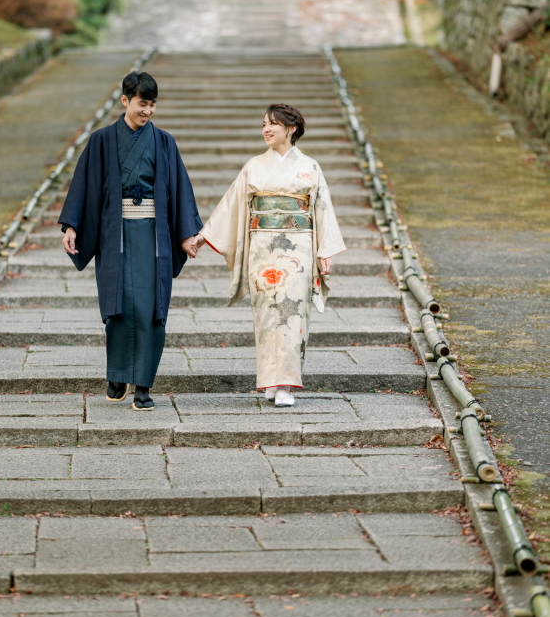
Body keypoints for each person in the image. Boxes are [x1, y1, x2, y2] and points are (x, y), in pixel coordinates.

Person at [59, 71, 202, 411]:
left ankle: (143, 385)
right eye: (142, 104)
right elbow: (85, 186)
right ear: (125, 100)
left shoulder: (164, 142)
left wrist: (186, 235)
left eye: (152, 105)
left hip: (154, 237)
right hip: (116, 235)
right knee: (119, 307)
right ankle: (118, 375)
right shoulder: (101, 141)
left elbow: (180, 191)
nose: (147, 111)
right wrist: (72, 226)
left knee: (151, 310)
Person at [191, 103, 345, 407]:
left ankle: (285, 385)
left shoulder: (310, 166)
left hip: (299, 249)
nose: (266, 129)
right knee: (265, 316)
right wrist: (203, 236)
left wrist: (324, 252)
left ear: (291, 129)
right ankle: (270, 383)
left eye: (273, 124)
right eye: (264, 124)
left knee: (293, 314)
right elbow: (231, 205)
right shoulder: (254, 166)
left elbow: (322, 210)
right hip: (261, 249)